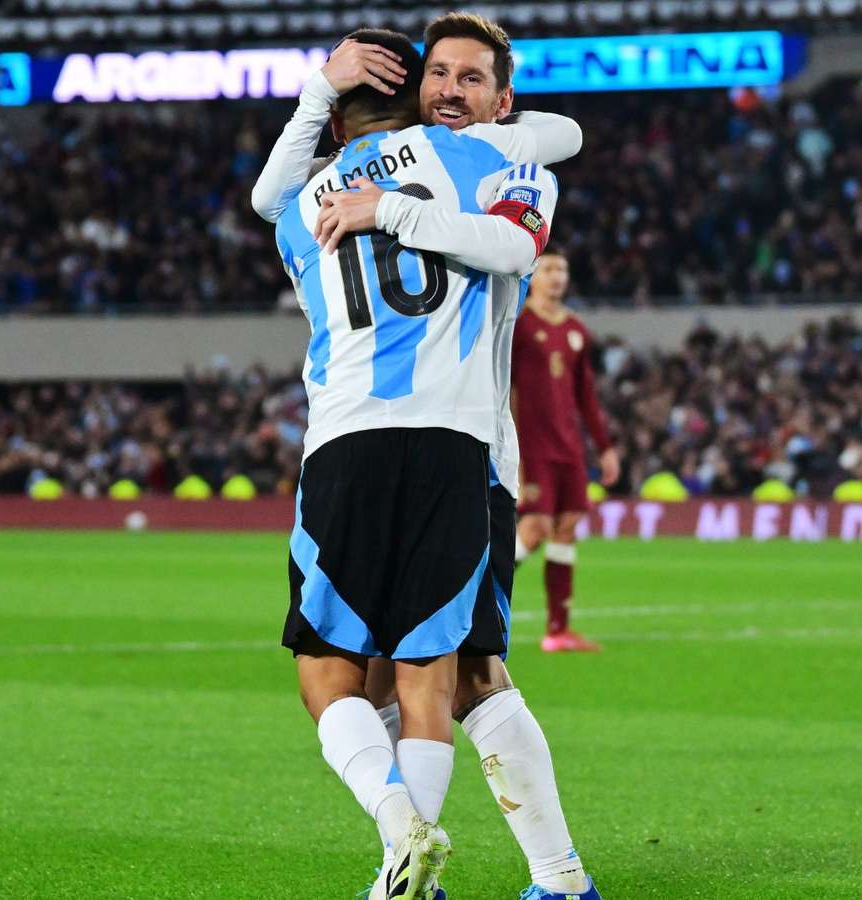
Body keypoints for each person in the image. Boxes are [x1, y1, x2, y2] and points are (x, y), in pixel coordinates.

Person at [258, 19, 599, 900]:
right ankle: (525, 877)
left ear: (502, 98)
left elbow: (270, 197)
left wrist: (365, 167)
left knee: (440, 673)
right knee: (439, 673)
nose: (450, 90)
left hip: (457, 449)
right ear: (414, 96)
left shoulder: (318, 203)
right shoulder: (479, 162)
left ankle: (451, 867)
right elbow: (560, 141)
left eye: (470, 78)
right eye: (437, 74)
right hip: (455, 442)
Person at [512, 247, 619, 652]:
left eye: (562, 269)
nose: (557, 276)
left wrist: (604, 448)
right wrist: (511, 451)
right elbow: (506, 389)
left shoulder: (576, 329)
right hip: (532, 446)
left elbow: (585, 395)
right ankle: (476, 605)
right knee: (535, 529)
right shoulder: (519, 325)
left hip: (569, 447)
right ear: (533, 276)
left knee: (568, 525)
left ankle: (558, 630)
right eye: (549, 268)